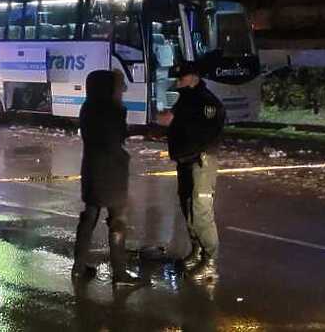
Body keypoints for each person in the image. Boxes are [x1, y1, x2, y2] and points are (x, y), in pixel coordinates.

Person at [72, 69, 146, 286]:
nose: (121, 90)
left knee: (89, 218)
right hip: (112, 174)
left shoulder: (87, 108)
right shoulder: (114, 110)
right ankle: (120, 272)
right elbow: (116, 141)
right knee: (118, 221)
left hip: (92, 171)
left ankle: (78, 267)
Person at [157, 61, 225, 281]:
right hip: (185, 161)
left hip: (201, 161)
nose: (178, 82)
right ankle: (196, 252)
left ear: (194, 77)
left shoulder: (207, 103)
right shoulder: (186, 99)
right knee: (187, 209)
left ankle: (210, 261)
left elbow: (203, 133)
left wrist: (176, 122)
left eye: (182, 78)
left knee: (200, 213)